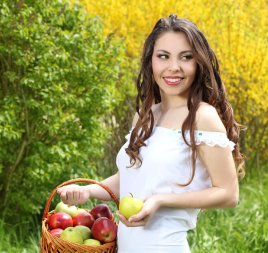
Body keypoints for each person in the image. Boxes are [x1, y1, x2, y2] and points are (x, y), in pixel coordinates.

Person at [57, 14, 245, 252]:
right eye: (163, 56)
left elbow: (229, 193)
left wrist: (160, 201)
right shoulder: (145, 116)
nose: (173, 67)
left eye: (186, 57)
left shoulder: (202, 117)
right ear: (151, 61)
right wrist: (88, 191)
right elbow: (132, 176)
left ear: (198, 63)